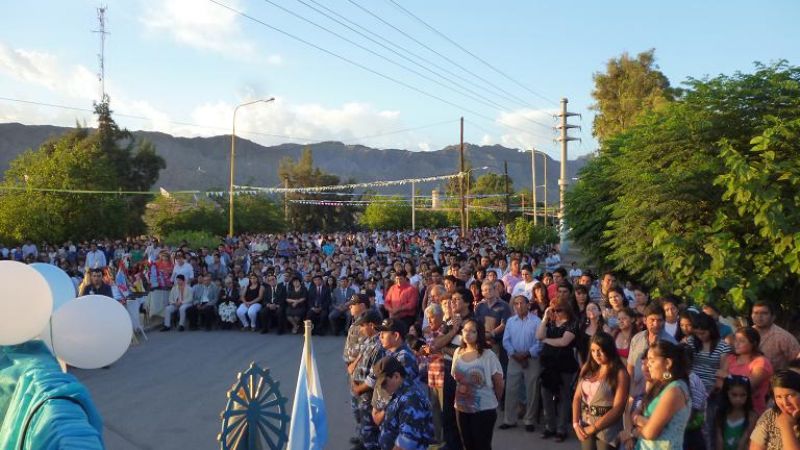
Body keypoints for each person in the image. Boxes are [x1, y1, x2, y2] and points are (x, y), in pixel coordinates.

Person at [451, 318, 504, 450]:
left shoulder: (488, 355)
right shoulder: (458, 352)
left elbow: (499, 382)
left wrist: (496, 400)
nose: (467, 334)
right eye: (465, 330)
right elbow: (455, 376)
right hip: (461, 407)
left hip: (484, 409)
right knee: (467, 444)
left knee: (482, 445)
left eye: (472, 331)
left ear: (479, 334)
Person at [572, 331, 630, 450]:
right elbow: (577, 398)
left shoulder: (620, 373)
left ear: (609, 349)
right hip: (585, 424)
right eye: (593, 351)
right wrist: (575, 423)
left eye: (600, 350)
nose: (596, 354)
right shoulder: (588, 369)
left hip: (608, 429)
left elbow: (618, 408)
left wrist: (594, 428)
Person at [630, 341, 691, 449]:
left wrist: (635, 427)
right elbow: (636, 412)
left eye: (652, 360)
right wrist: (642, 421)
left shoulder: (674, 391)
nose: (648, 364)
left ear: (668, 363)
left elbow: (650, 433)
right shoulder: (657, 385)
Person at [537, 298, 580, 442]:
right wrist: (545, 317)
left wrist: (546, 341)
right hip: (548, 365)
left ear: (566, 309)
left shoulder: (572, 324)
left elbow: (564, 342)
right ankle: (550, 426)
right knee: (546, 394)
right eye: (553, 310)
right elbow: (539, 336)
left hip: (565, 364)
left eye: (558, 310)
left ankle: (561, 429)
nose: (556, 313)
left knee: (563, 396)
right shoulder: (550, 322)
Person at [371, 356, 434, 450]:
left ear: (396, 376)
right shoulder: (398, 391)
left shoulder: (411, 400)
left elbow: (405, 445)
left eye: (384, 383)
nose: (382, 388)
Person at [499, 295, 542, 431]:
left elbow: (540, 342)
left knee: (532, 390)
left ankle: (529, 420)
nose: (519, 306)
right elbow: (506, 340)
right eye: (516, 304)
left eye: (522, 303)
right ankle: (509, 420)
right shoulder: (511, 321)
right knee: (511, 389)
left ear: (528, 305)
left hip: (532, 359)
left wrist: (527, 354)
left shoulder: (536, 321)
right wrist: (514, 354)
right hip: (514, 359)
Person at [351, 309, 386, 450]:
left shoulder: (378, 346)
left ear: (371, 325)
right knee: (366, 430)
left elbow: (374, 377)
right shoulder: (369, 342)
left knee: (371, 433)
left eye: (363, 325)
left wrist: (358, 388)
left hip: (369, 397)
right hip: (362, 394)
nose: (360, 328)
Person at [718, 327, 773, 415]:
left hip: (752, 409)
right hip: (728, 407)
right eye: (735, 340)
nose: (737, 344)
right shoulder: (731, 358)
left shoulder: (761, 362)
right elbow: (719, 383)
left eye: (742, 341)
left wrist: (727, 376)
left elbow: (747, 386)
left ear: (753, 343)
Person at [628, 304, 678, 399]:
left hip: (659, 394)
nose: (656, 324)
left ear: (664, 321)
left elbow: (673, 372)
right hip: (636, 392)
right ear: (645, 320)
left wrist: (662, 385)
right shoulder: (637, 338)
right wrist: (630, 388)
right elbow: (630, 366)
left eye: (659, 320)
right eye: (652, 320)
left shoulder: (671, 343)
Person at [749, 369, 800, 450]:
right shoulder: (769, 416)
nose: (785, 402)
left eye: (790, 395)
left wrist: (786, 425)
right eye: (779, 397)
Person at [750, 302, 800, 372]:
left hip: (774, 380)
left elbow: (797, 360)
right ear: (751, 315)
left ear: (773, 317)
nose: (759, 316)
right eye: (756, 313)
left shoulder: (783, 337)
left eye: (764, 313)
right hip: (746, 379)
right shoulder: (745, 334)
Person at [714, 375, 757, 450]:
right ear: (726, 394)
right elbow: (719, 441)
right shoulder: (720, 413)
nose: (738, 399)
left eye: (743, 395)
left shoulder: (751, 416)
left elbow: (743, 441)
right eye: (734, 395)